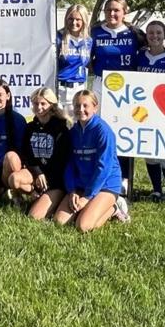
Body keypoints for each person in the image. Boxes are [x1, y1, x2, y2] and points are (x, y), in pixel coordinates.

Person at [89, 0, 145, 192]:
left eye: (116, 10)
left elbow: (150, 51)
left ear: (124, 12)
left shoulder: (135, 33)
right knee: (100, 129)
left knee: (124, 130)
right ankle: (99, 173)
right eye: (108, 10)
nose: (112, 14)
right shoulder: (95, 32)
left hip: (126, 86)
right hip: (101, 84)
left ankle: (125, 178)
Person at [51, 90, 128, 231]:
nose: (81, 110)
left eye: (85, 106)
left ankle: (114, 207)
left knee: (83, 226)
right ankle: (90, 208)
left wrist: (87, 198)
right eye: (77, 106)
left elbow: (103, 168)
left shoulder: (103, 131)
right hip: (82, 184)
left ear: (95, 107)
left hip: (106, 185)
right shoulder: (73, 132)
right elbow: (70, 164)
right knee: (59, 221)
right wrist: (72, 190)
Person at [4, 86, 71, 217]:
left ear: (51, 105)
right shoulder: (30, 128)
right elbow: (27, 155)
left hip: (55, 180)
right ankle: (31, 195)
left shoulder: (61, 129)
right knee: (14, 179)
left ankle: (50, 200)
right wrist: (38, 173)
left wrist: (46, 178)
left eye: (43, 104)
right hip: (36, 174)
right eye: (35, 103)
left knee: (34, 217)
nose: (39, 107)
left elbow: (62, 160)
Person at [136, 20, 165, 202]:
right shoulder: (139, 57)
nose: (154, 36)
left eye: (158, 33)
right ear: (146, 35)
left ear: (164, 35)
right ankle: (156, 189)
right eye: (151, 33)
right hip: (143, 111)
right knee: (149, 153)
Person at [56, 5, 92, 110]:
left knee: (76, 124)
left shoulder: (88, 41)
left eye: (78, 19)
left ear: (84, 20)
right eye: (70, 19)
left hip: (79, 88)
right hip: (60, 88)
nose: (73, 22)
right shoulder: (58, 38)